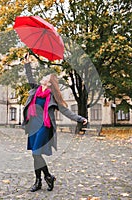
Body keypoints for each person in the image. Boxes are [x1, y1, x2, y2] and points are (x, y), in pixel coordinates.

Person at [22, 54, 88, 192]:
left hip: (44, 127)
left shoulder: (53, 97)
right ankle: (41, 180)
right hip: (33, 125)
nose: (43, 77)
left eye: (46, 77)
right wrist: (27, 64)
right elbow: (30, 76)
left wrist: (80, 119)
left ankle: (44, 178)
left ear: (50, 83)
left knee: (36, 153)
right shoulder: (35, 90)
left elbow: (66, 111)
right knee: (35, 154)